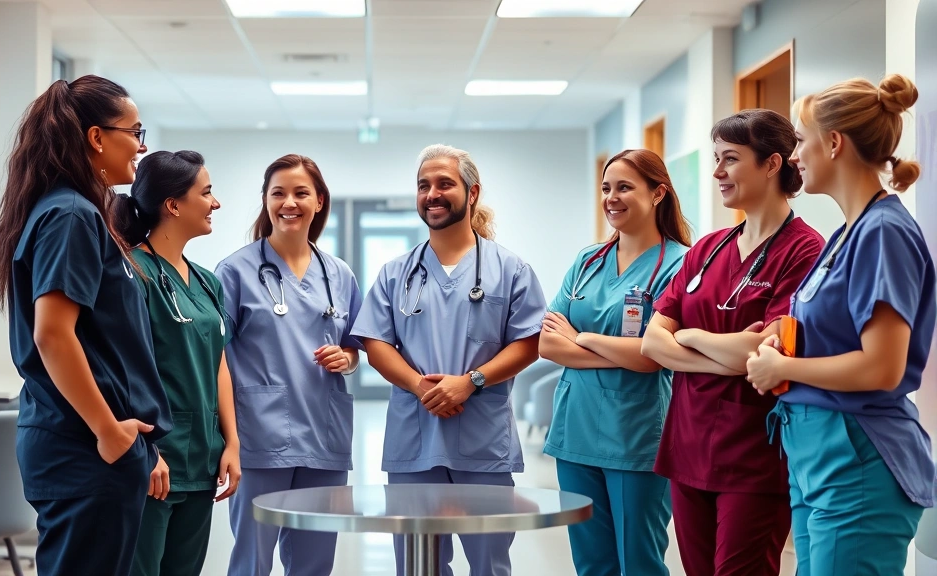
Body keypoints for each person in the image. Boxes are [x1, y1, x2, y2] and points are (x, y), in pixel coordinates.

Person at [747, 74, 934, 576]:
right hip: (818, 457)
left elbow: (881, 368)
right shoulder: (848, 233)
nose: (793, 157)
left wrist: (783, 368)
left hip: (858, 458)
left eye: (800, 142)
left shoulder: (884, 233)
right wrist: (781, 336)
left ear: (833, 143)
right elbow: (833, 326)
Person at [0, 75, 171, 575]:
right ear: (97, 138)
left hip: (86, 443)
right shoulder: (71, 215)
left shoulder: (73, 211)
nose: (142, 145)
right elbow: (52, 334)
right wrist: (109, 431)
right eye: (134, 131)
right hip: (86, 445)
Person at [640, 109, 825, 576]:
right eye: (716, 159)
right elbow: (651, 343)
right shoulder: (709, 248)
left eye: (730, 159)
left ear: (771, 164)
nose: (718, 173)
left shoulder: (804, 251)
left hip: (754, 455)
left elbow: (766, 353)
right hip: (688, 446)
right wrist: (726, 353)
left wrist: (690, 335)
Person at [351, 144, 547, 576]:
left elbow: (529, 342)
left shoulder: (510, 269)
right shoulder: (396, 273)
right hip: (415, 441)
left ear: (472, 193)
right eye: (424, 186)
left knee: (489, 564)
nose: (432, 194)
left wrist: (471, 380)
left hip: (482, 443)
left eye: (445, 184)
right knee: (419, 566)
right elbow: (375, 343)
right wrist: (420, 385)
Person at [539, 148, 691, 576]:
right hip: (575, 432)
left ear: (658, 192)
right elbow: (548, 346)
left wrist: (582, 338)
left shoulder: (679, 265)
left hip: (637, 436)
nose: (612, 197)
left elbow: (651, 357)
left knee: (639, 561)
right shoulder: (587, 262)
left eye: (625, 187)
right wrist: (618, 351)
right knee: (591, 563)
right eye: (606, 188)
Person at [215, 154, 364, 576]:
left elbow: (354, 347)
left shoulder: (339, 274)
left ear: (319, 201)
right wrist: (229, 441)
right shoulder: (234, 272)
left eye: (301, 193)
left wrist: (347, 358)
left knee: (315, 564)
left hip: (324, 439)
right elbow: (215, 359)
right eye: (278, 193)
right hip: (260, 440)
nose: (289, 203)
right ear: (265, 201)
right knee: (252, 561)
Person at [108, 150, 241, 576]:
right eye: (206, 193)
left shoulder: (207, 281)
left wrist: (232, 442)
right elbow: (119, 369)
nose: (215, 203)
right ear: (173, 205)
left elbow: (218, 364)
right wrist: (145, 452)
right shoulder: (132, 273)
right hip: (155, 464)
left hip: (202, 458)